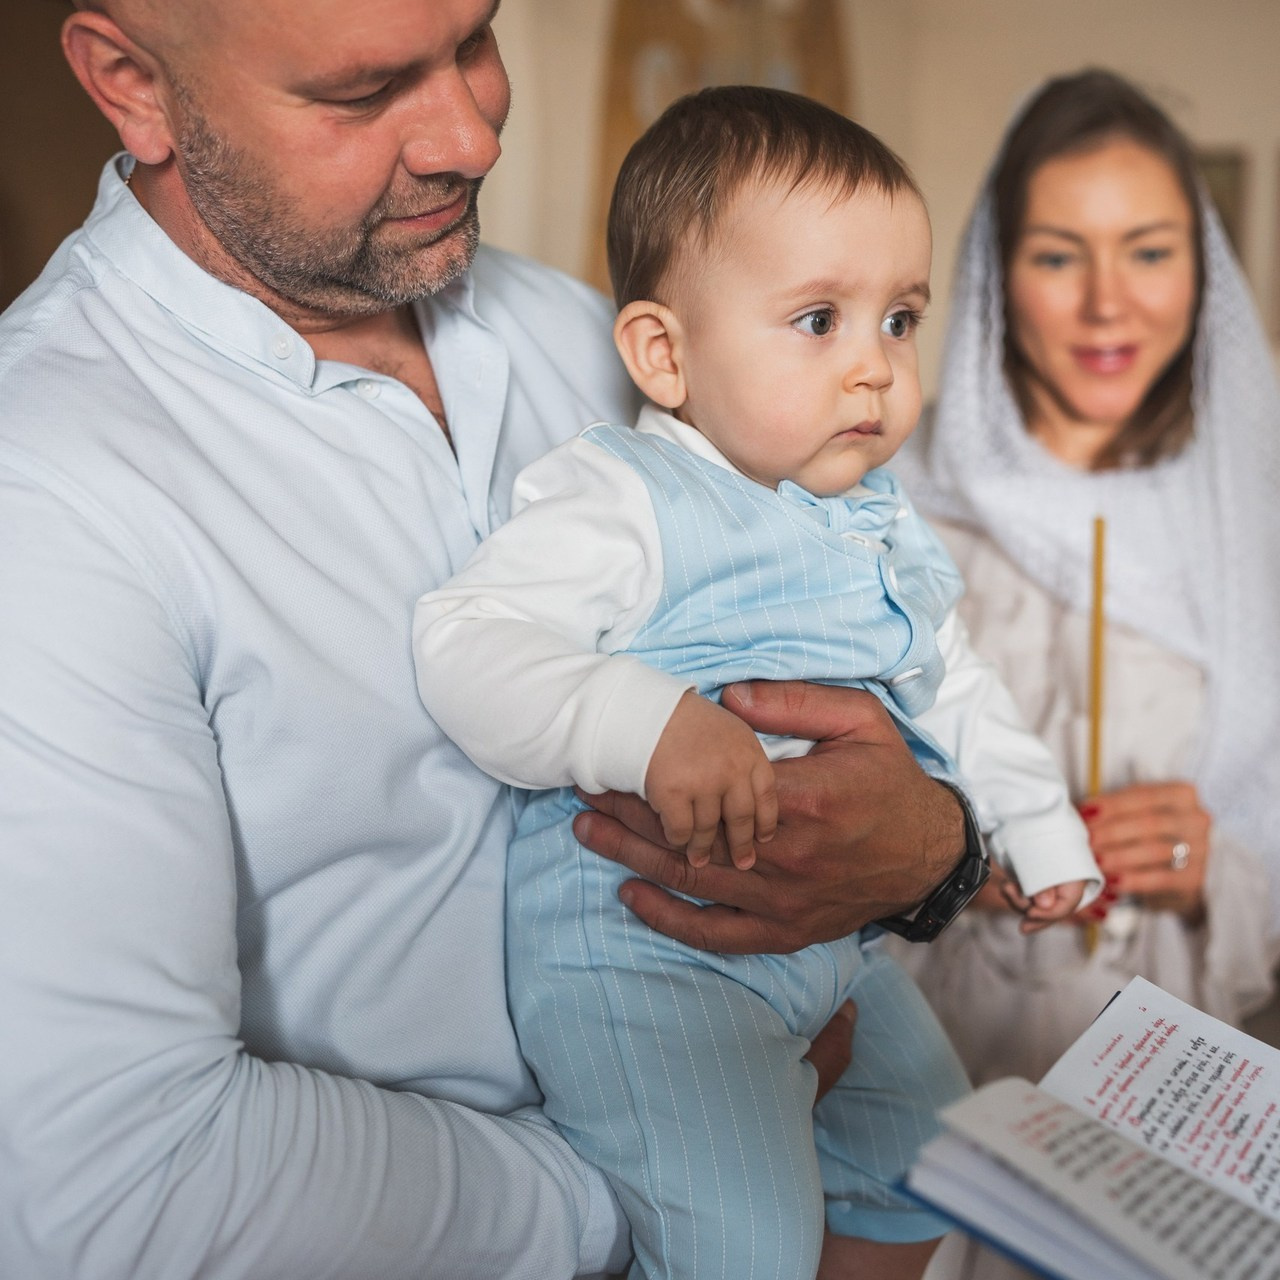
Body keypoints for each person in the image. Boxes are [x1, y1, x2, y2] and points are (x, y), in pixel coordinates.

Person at [0, 3, 984, 1278]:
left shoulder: (584, 334)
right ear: (132, 83)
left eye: (474, 40)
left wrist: (933, 848)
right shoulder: (47, 492)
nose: (470, 137)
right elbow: (122, 1183)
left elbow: (854, 623)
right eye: (364, 91)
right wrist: (657, 1182)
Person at [413, 86, 1101, 1280]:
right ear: (665, 353)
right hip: (647, 958)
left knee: (927, 1157)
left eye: (899, 319)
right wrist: (645, 722)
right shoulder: (626, 493)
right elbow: (466, 640)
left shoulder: (871, 518)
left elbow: (951, 681)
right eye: (819, 319)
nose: (873, 368)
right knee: (741, 1246)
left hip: (836, 942)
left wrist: (1034, 824)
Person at [888, 68, 1280, 1279]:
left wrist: (1209, 866)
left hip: (1167, 1123)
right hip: (927, 1102)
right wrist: (950, 856)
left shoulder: (1254, 521)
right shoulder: (890, 508)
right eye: (1058, 256)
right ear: (996, 274)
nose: (1108, 302)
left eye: (1147, 251)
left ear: (1199, 269)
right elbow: (792, 821)